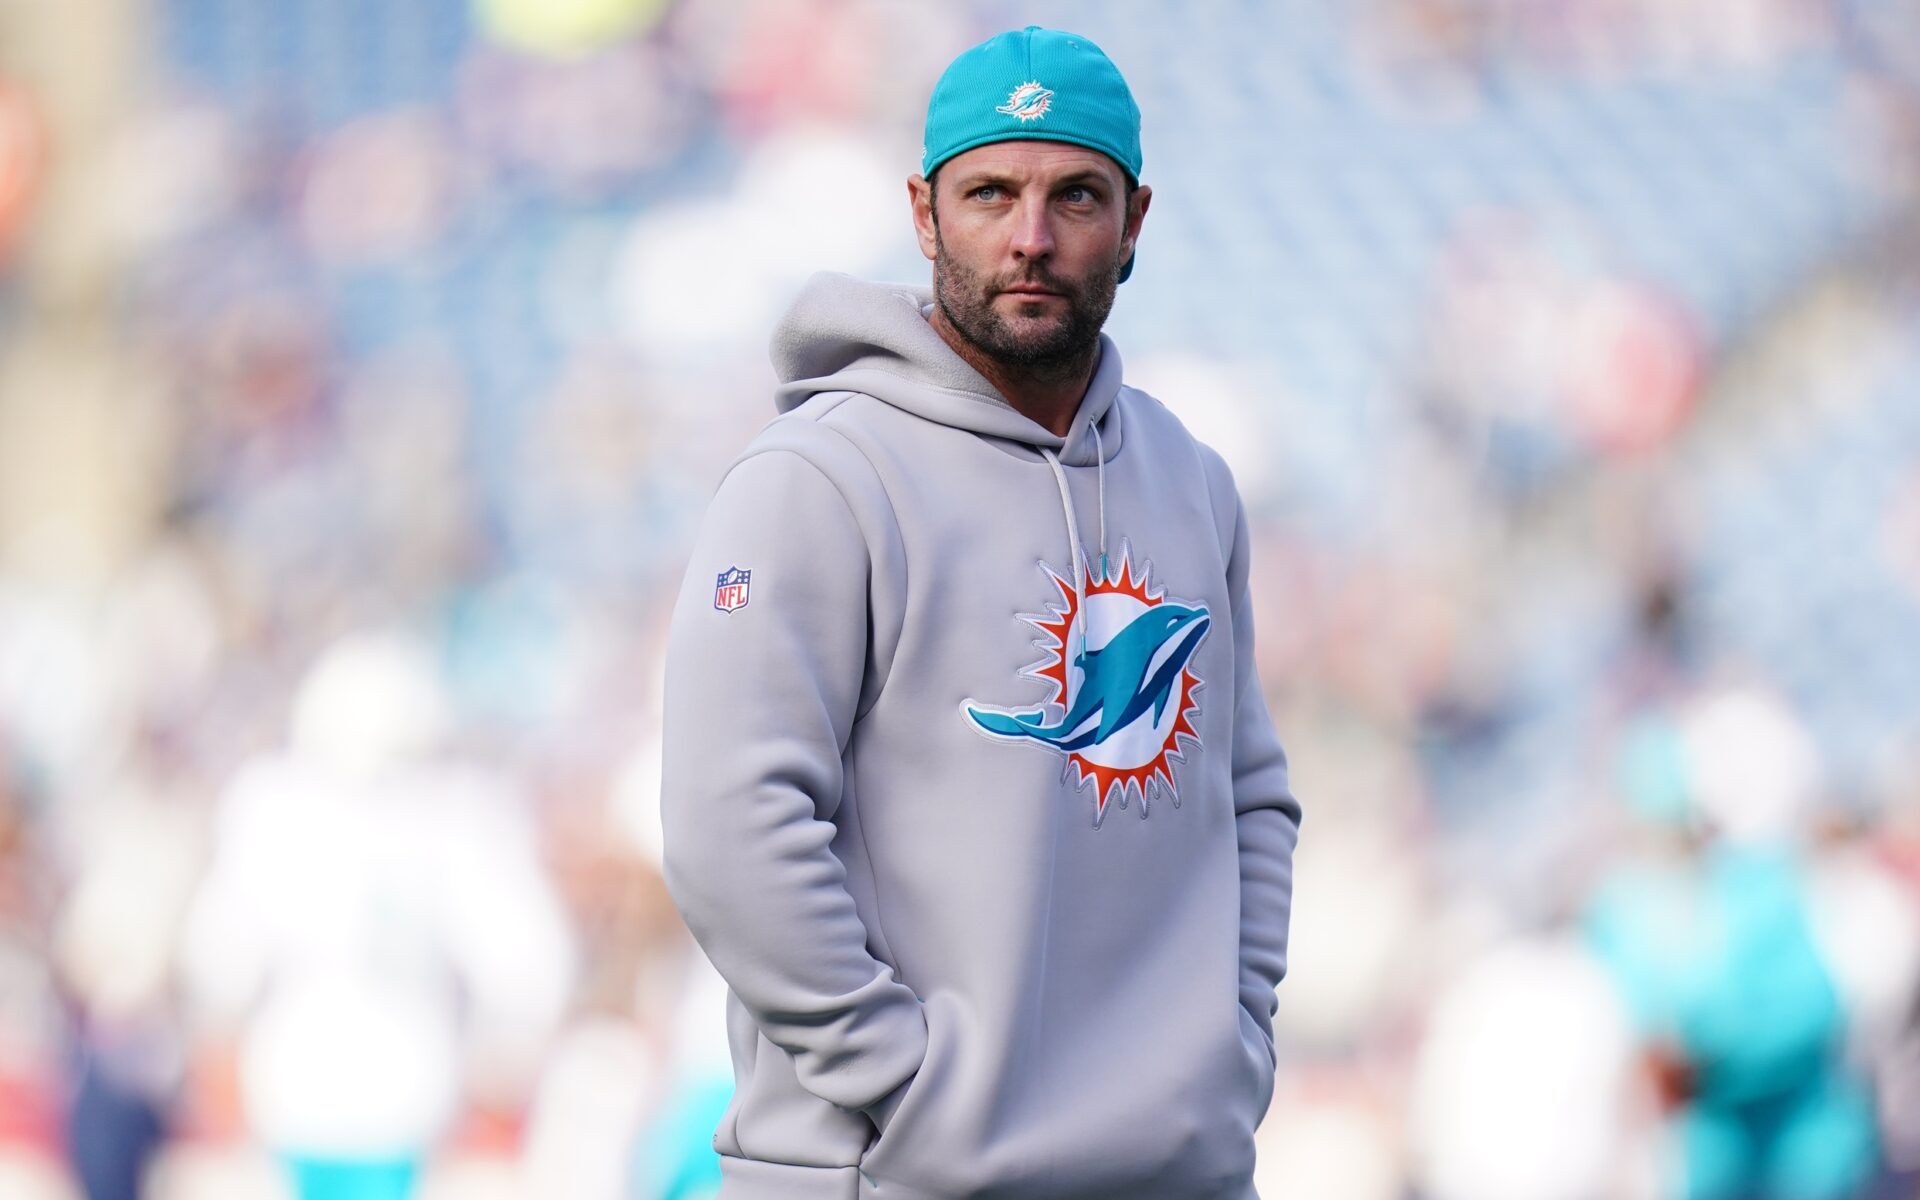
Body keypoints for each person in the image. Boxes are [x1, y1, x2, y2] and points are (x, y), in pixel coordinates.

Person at [659, 24, 1303, 1199]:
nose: (1032, 237)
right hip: (887, 1177)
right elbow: (728, 826)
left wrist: (1234, 1051)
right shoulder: (817, 481)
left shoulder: (1192, 482)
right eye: (990, 192)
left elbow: (1250, 796)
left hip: (1175, 1174)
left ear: (1137, 221)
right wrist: (910, 1085)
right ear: (923, 213)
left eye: (1077, 197)